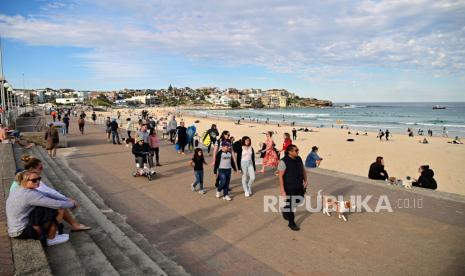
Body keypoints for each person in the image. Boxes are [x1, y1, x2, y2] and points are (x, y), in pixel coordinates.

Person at [10, 156, 90, 231]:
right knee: (59, 207)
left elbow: (48, 193)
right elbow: (50, 194)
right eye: (40, 168)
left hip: (21, 208)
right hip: (23, 215)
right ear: (31, 169)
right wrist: (71, 202)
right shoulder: (31, 181)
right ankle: (53, 235)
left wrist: (67, 200)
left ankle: (73, 225)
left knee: (56, 202)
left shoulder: (26, 177)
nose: (42, 169)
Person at [6, 170, 76, 246]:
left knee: (47, 207)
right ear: (25, 181)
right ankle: (51, 238)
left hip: (15, 228)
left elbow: (47, 194)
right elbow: (57, 204)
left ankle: (50, 232)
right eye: (34, 180)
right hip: (21, 231)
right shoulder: (29, 195)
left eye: (39, 178)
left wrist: (68, 200)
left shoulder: (18, 188)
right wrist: (72, 204)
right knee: (59, 210)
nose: (38, 181)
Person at [278, 144, 308, 231]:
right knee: (291, 205)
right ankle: (291, 223)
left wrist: (306, 180)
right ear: (290, 152)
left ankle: (285, 209)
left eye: (298, 150)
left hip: (299, 185)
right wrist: (282, 190)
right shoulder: (283, 161)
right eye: (296, 150)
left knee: (300, 200)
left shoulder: (299, 158)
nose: (298, 151)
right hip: (289, 187)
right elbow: (280, 176)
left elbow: (303, 169)